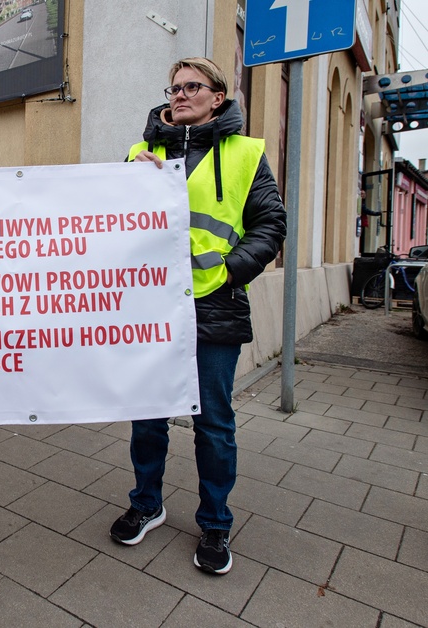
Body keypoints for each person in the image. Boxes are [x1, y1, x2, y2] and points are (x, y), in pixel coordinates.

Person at [110, 57, 286, 575]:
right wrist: (128, 187)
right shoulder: (138, 154)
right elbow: (110, 224)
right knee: (147, 413)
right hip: (152, 306)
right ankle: (147, 504)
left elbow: (269, 223)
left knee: (212, 422)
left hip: (214, 305)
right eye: (174, 87)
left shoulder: (245, 154)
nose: (180, 95)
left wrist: (232, 272)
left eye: (193, 86)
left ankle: (214, 522)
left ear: (218, 97)